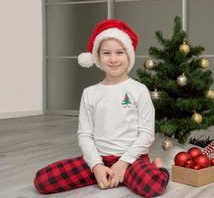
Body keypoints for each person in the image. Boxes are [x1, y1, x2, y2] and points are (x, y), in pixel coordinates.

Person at [33, 19, 169, 198]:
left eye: (119, 52)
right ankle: (106, 174)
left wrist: (123, 163)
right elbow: (84, 134)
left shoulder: (139, 90)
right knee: (42, 181)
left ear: (128, 56)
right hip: (99, 158)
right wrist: (96, 165)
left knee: (152, 186)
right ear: (98, 57)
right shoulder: (90, 93)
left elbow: (146, 134)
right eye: (106, 53)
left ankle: (157, 167)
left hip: (132, 159)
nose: (113, 59)